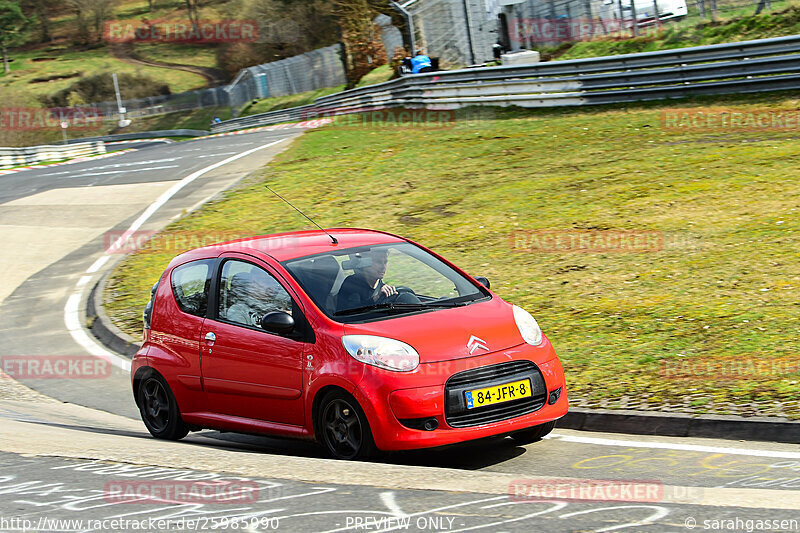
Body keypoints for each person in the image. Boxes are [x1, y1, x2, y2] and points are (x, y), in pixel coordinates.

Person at [337, 249, 418, 311]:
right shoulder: (351, 284)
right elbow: (350, 313)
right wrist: (376, 298)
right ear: (365, 264)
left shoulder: (380, 285)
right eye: (379, 262)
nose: (383, 267)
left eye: (385, 262)